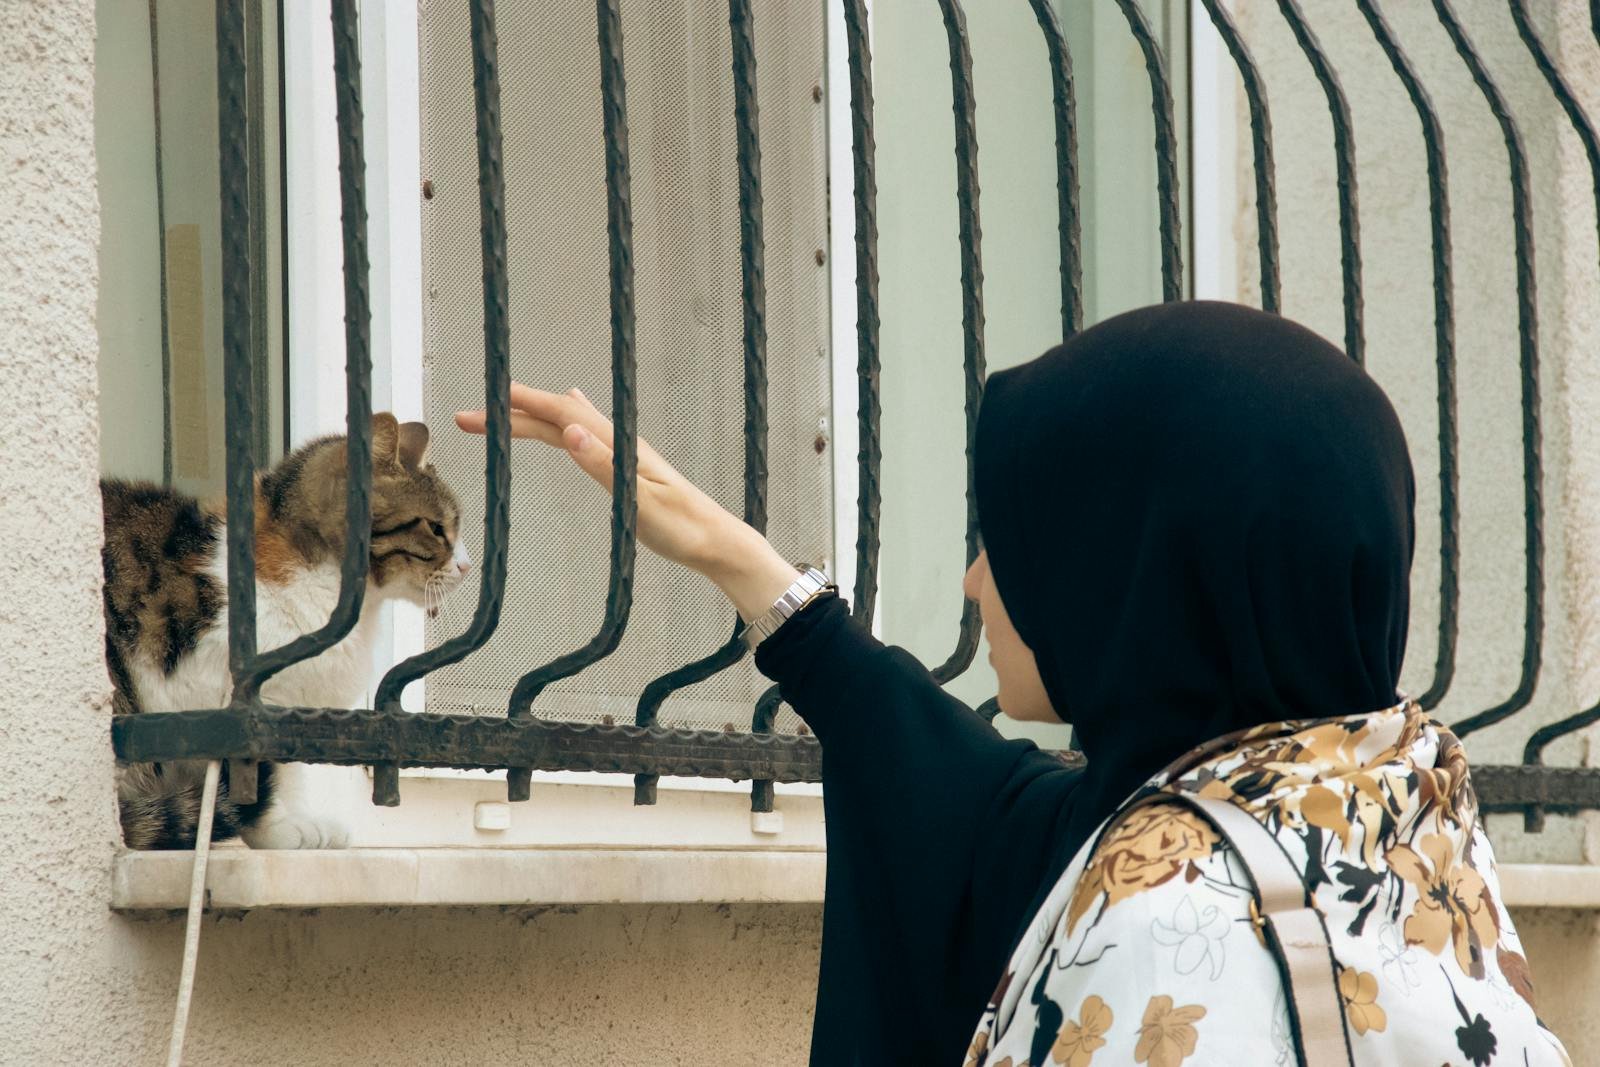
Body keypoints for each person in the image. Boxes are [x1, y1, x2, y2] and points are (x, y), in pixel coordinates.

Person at [457, 301, 1569, 1066]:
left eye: (1019, 540)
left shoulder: (1171, 921)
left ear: (1132, 567)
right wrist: (738, 562)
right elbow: (1000, 818)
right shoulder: (1381, 802)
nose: (978, 581)